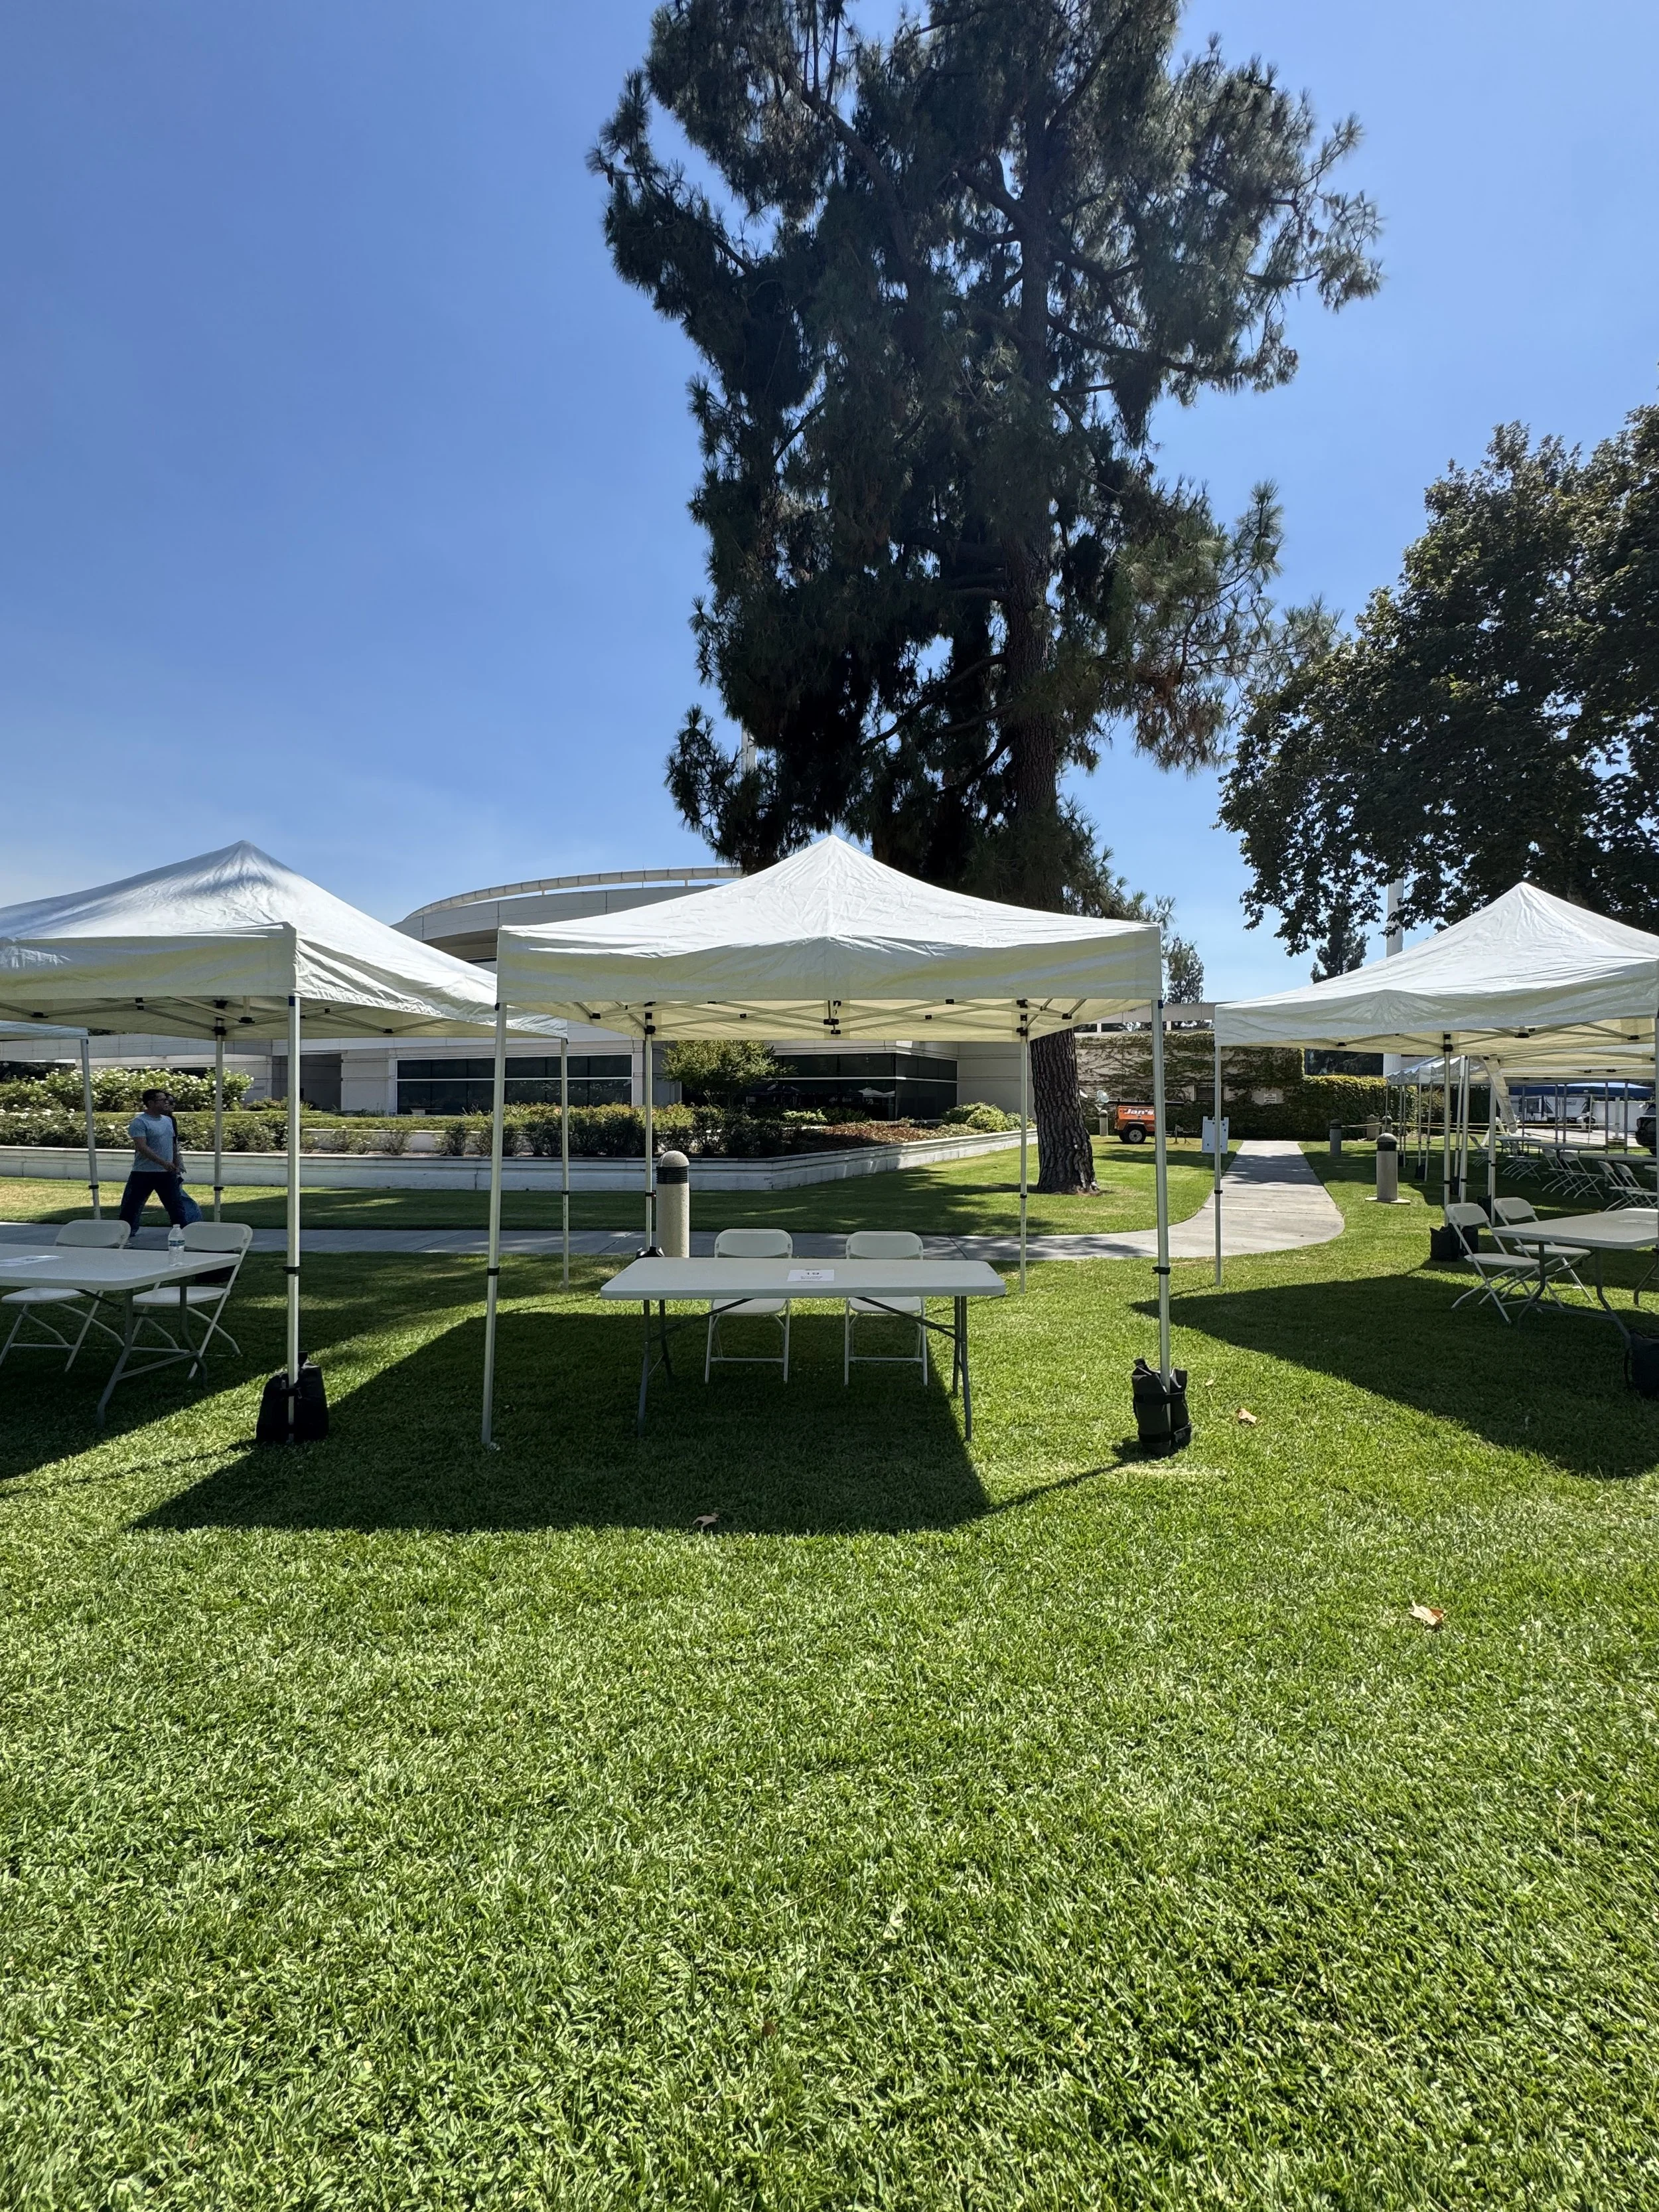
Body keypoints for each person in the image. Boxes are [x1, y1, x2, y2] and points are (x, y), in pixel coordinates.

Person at [120, 1086, 190, 1239]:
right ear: (151, 1103)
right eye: (162, 1100)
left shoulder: (167, 1120)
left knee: (176, 1206)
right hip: (143, 1173)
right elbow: (142, 1147)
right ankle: (124, 1235)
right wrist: (163, 1162)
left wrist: (175, 1162)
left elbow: (172, 1143)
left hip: (167, 1173)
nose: (167, 1102)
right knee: (133, 1205)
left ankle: (183, 1235)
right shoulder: (140, 1122)